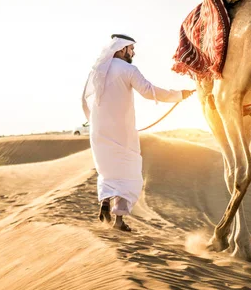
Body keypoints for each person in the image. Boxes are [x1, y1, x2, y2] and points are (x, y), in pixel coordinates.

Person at [82, 34, 194, 232]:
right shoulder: (128, 69)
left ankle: (106, 202)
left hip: (98, 132)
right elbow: (149, 91)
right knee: (130, 174)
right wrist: (179, 95)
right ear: (122, 49)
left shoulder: (96, 72)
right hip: (121, 133)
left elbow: (84, 100)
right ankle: (118, 221)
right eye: (131, 49)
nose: (133, 52)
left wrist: (94, 122)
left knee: (107, 172)